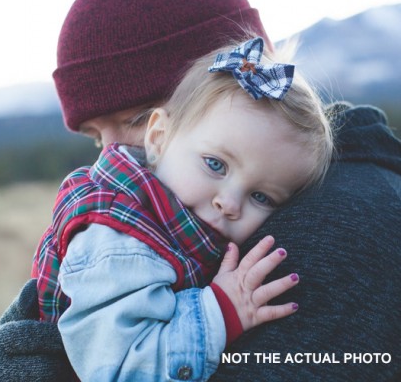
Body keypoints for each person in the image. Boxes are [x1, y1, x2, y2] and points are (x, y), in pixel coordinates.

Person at [0, 0, 401, 381]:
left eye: (136, 119)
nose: (110, 155)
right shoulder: (133, 229)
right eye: (94, 136)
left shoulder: (330, 233)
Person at [30, 37, 332, 381]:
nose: (229, 203)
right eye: (215, 165)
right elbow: (121, 371)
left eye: (261, 197)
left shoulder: (175, 221)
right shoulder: (119, 242)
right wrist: (220, 312)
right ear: (158, 137)